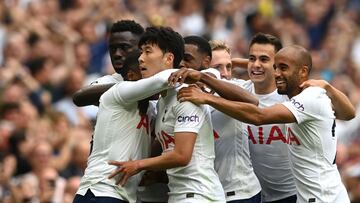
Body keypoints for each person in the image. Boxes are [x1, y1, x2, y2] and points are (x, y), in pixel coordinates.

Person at [172, 45, 355, 203]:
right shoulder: (311, 95)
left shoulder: (309, 99)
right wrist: (328, 87)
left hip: (322, 197)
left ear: (303, 72)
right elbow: (349, 113)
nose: (276, 73)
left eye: (283, 68)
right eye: (275, 67)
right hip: (317, 195)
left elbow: (258, 117)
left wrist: (207, 98)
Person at [107, 26, 226, 202]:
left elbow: (182, 155)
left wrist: (138, 165)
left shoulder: (186, 95)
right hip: (178, 195)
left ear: (169, 58)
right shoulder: (162, 100)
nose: (140, 58)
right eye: (141, 52)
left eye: (148, 52)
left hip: (201, 194)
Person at [73, 50, 154, 203]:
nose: (152, 78)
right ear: (131, 76)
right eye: (145, 71)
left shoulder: (151, 108)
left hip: (116, 194)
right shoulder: (120, 91)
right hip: (102, 190)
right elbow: (161, 81)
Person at [208, 40, 262, 203]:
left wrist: (239, 61)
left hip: (241, 193)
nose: (225, 73)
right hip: (209, 193)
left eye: (229, 67)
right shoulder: (189, 95)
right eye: (218, 67)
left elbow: (271, 70)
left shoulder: (240, 89)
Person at [73, 20, 144, 107]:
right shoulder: (107, 82)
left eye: (124, 47)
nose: (117, 54)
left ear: (142, 49)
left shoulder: (160, 81)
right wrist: (127, 88)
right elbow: (79, 97)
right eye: (113, 48)